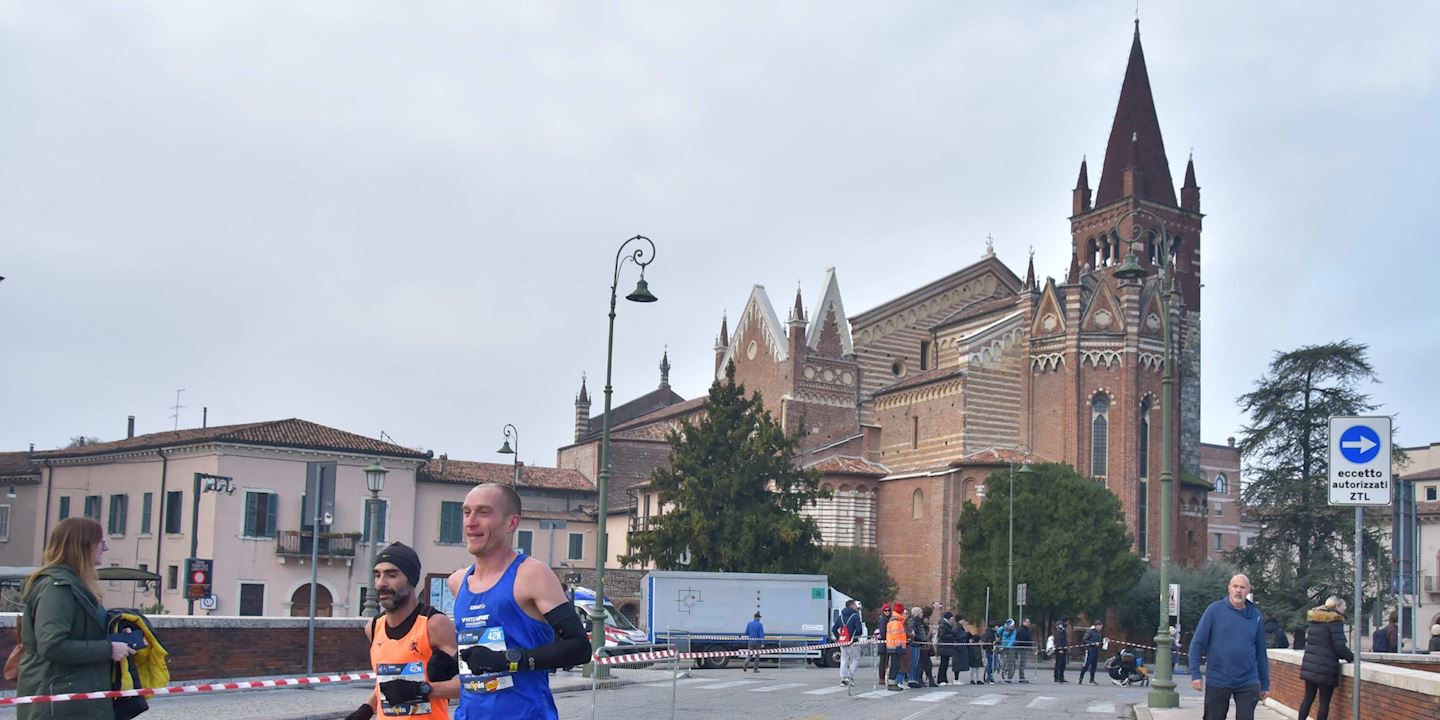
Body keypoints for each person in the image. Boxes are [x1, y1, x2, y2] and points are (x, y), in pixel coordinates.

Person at [446, 484, 591, 720]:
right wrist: (450, 662)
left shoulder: (532, 574)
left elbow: (579, 648)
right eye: (466, 512)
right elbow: (488, 646)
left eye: (483, 512)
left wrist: (506, 661)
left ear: (511, 523)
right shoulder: (458, 582)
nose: (470, 522)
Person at [17, 517, 136, 720]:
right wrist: (108, 649)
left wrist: (112, 633)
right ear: (83, 545)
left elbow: (80, 631)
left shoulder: (74, 585)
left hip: (79, 697)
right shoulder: (57, 589)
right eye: (101, 542)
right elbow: (52, 645)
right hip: (61, 702)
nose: (105, 548)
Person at [346, 543, 459, 720]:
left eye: (391, 575)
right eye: (377, 575)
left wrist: (422, 690)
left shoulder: (434, 624)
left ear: (411, 579)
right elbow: (387, 684)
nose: (381, 583)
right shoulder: (374, 627)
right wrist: (367, 709)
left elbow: (473, 682)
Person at [1189, 574, 1270, 720]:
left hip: (1247, 680)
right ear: (1229, 589)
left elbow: (1260, 651)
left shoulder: (1256, 616)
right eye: (1235, 586)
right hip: (1218, 678)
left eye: (1242, 587)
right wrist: (1195, 674)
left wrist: (1265, 683)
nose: (1238, 590)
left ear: (1248, 590)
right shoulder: (1214, 610)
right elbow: (1197, 643)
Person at [1297, 596, 1354, 720]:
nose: (1345, 609)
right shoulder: (1335, 620)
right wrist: (1351, 658)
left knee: (1308, 698)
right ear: (1336, 607)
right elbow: (1339, 646)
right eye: (1343, 606)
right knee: (1324, 702)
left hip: (1310, 665)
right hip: (1326, 667)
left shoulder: (1315, 620)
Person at [832, 599, 863, 687]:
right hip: (853, 642)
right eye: (855, 605)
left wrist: (839, 638)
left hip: (843, 642)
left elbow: (834, 629)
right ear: (851, 606)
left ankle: (843, 678)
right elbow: (859, 630)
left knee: (844, 659)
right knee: (855, 658)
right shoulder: (855, 616)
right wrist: (854, 637)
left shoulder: (840, 616)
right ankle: (850, 677)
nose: (856, 607)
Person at [885, 603, 909, 690]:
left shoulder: (896, 620)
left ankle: (892, 682)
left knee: (896, 665)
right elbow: (896, 635)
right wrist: (899, 645)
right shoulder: (896, 621)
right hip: (895, 647)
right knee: (895, 665)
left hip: (894, 646)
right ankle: (891, 683)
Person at [1076, 620, 1103, 685]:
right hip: (1089, 650)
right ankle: (1080, 678)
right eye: (1099, 626)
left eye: (1101, 626)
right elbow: (1085, 639)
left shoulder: (1098, 632)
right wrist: (1092, 643)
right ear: (1096, 626)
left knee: (1094, 665)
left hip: (1096, 650)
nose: (1100, 628)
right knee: (1086, 664)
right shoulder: (1090, 631)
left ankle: (1092, 680)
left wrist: (1101, 643)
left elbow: (1099, 641)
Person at [935, 612, 957, 685]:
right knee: (943, 664)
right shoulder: (943, 625)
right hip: (943, 646)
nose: (952, 620)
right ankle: (941, 680)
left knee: (945, 663)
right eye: (951, 618)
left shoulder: (947, 624)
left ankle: (944, 679)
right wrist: (952, 635)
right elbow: (942, 635)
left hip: (946, 647)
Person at [876, 603, 893, 686]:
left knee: (885, 661)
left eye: (888, 610)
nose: (887, 612)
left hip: (887, 643)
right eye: (885, 610)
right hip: (884, 643)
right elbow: (882, 632)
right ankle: (881, 678)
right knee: (883, 661)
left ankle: (884, 677)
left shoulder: (888, 619)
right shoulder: (883, 620)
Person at [1051, 618, 1069, 683]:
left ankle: (1061, 677)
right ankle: (1057, 677)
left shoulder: (1062, 627)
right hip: (1060, 649)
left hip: (1063, 648)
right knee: (1059, 663)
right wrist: (1060, 648)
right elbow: (1058, 638)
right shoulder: (1060, 626)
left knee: (1063, 663)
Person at [1016, 618, 1033, 683]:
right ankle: (1021, 677)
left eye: (1029, 622)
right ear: (1024, 622)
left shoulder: (1026, 630)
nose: (1029, 623)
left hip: (1025, 648)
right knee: (1022, 663)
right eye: (1027, 622)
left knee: (1023, 663)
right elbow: (1022, 640)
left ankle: (1022, 677)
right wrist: (1027, 645)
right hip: (1022, 648)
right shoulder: (1022, 630)